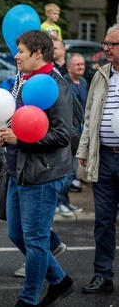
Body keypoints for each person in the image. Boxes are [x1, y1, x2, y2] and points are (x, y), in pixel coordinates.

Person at [0, 30, 75, 306]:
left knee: (36, 240)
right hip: (19, 171)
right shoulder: (25, 82)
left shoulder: (56, 85)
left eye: (21, 52)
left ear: (37, 53)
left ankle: (28, 300)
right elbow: (23, 123)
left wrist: (21, 141)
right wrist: (5, 133)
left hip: (42, 174)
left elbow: (63, 135)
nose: (15, 56)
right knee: (17, 234)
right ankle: (60, 281)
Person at [77, 24, 119, 295]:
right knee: (103, 220)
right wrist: (83, 150)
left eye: (111, 45)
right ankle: (102, 275)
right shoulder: (101, 75)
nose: (105, 48)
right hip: (103, 157)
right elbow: (90, 116)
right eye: (105, 43)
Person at [56, 53, 87, 216]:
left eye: (82, 64)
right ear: (69, 67)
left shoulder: (83, 82)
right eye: (77, 65)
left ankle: (66, 201)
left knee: (73, 172)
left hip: (81, 134)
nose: (81, 67)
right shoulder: (64, 83)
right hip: (68, 133)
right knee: (66, 171)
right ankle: (59, 202)